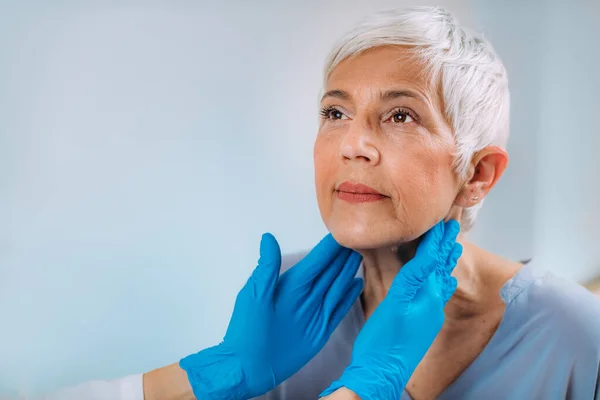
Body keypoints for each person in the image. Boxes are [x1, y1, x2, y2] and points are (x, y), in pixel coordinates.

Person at [35, 5, 600, 400]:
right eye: (335, 113)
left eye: (400, 115)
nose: (353, 143)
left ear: (477, 173)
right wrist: (220, 377)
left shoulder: (575, 333)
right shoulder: (288, 306)